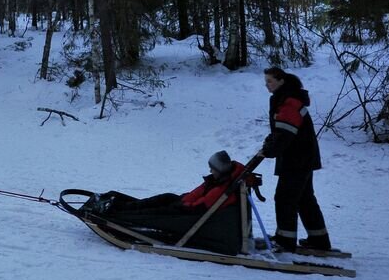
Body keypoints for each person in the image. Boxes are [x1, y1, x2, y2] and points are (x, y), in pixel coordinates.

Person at [261, 66, 332, 251]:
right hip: (302, 157)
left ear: (281, 81)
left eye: (270, 81)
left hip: (297, 159)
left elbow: (285, 133)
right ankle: (319, 239)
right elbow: (280, 130)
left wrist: (270, 150)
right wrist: (270, 142)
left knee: (285, 198)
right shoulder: (286, 98)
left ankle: (285, 240)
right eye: (266, 82)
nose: (267, 86)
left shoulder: (289, 101)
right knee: (304, 198)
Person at [91, 150, 252, 216]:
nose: (210, 172)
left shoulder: (222, 188)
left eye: (212, 169)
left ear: (220, 169)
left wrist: (183, 205)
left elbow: (201, 206)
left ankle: (117, 211)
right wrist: (184, 198)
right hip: (186, 204)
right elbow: (197, 194)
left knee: (155, 211)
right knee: (164, 198)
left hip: (188, 213)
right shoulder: (221, 180)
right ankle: (119, 204)